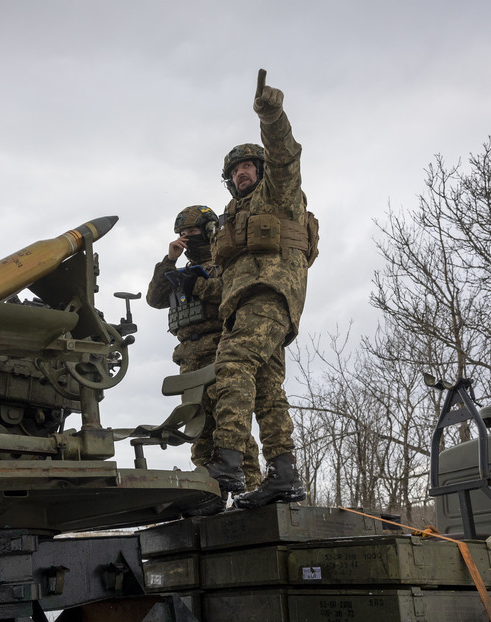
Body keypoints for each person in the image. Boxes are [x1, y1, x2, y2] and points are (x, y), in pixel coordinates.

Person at [204, 70, 318, 510]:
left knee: (231, 363)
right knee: (269, 390)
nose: (243, 173)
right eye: (235, 170)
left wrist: (272, 114)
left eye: (249, 165)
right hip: (247, 302)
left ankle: (228, 459)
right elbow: (223, 275)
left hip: (270, 294)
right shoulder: (230, 218)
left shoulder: (279, 193)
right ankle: (284, 476)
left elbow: (285, 155)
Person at [146, 206, 263, 513]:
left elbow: (232, 293)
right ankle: (210, 495)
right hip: (188, 357)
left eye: (192, 234)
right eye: (182, 235)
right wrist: (169, 260)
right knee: (200, 428)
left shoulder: (224, 262)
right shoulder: (178, 270)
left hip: (220, 352)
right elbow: (154, 298)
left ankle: (251, 492)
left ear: (209, 232)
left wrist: (195, 285)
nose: (186, 240)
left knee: (231, 425)